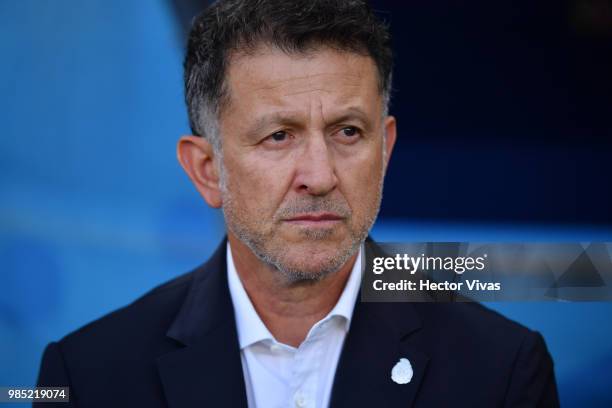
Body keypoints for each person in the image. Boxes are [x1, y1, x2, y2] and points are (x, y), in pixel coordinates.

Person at [36, 0, 559, 406]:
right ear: (206, 170)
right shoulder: (87, 376)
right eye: (279, 136)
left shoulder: (502, 370)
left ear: (385, 149)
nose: (320, 176)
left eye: (348, 131)